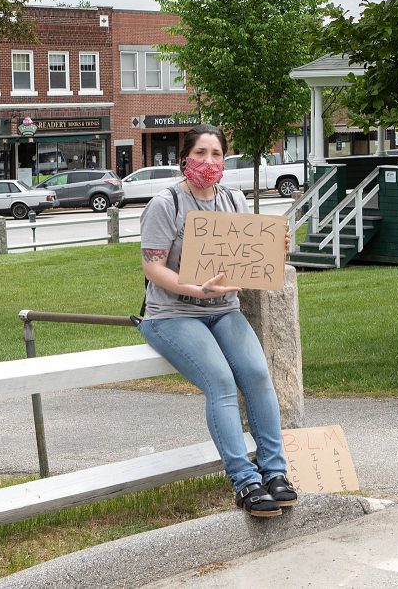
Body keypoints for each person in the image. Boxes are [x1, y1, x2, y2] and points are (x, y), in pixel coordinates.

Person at [138, 125, 296, 517]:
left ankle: (275, 474)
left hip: (224, 310)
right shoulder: (166, 203)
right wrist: (194, 289)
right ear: (184, 158)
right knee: (222, 383)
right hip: (173, 314)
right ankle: (245, 482)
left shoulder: (233, 200)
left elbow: (247, 259)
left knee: (258, 376)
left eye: (216, 154)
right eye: (200, 153)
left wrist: (274, 248)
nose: (208, 162)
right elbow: (151, 265)